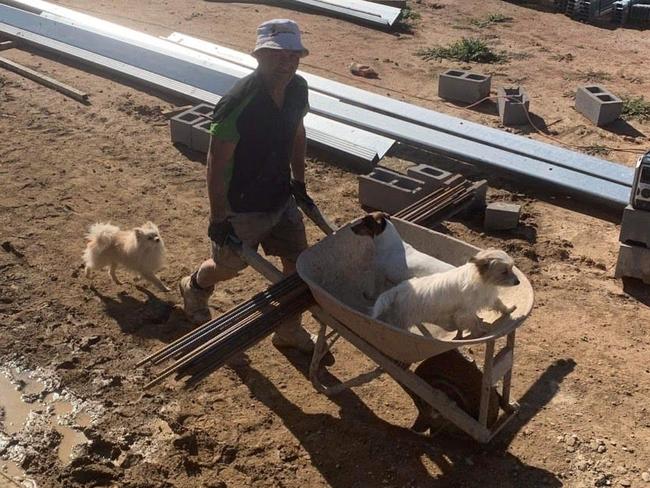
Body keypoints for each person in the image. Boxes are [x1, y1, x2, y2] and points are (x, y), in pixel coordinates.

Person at [179, 19, 316, 354]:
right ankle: (194, 285)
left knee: (298, 266)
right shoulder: (238, 101)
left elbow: (298, 133)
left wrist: (298, 181)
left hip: (280, 195)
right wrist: (218, 216)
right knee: (228, 267)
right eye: (279, 55)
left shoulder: (298, 89)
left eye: (294, 55)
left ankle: (288, 331)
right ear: (260, 55)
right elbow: (217, 162)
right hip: (243, 204)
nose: (288, 62)